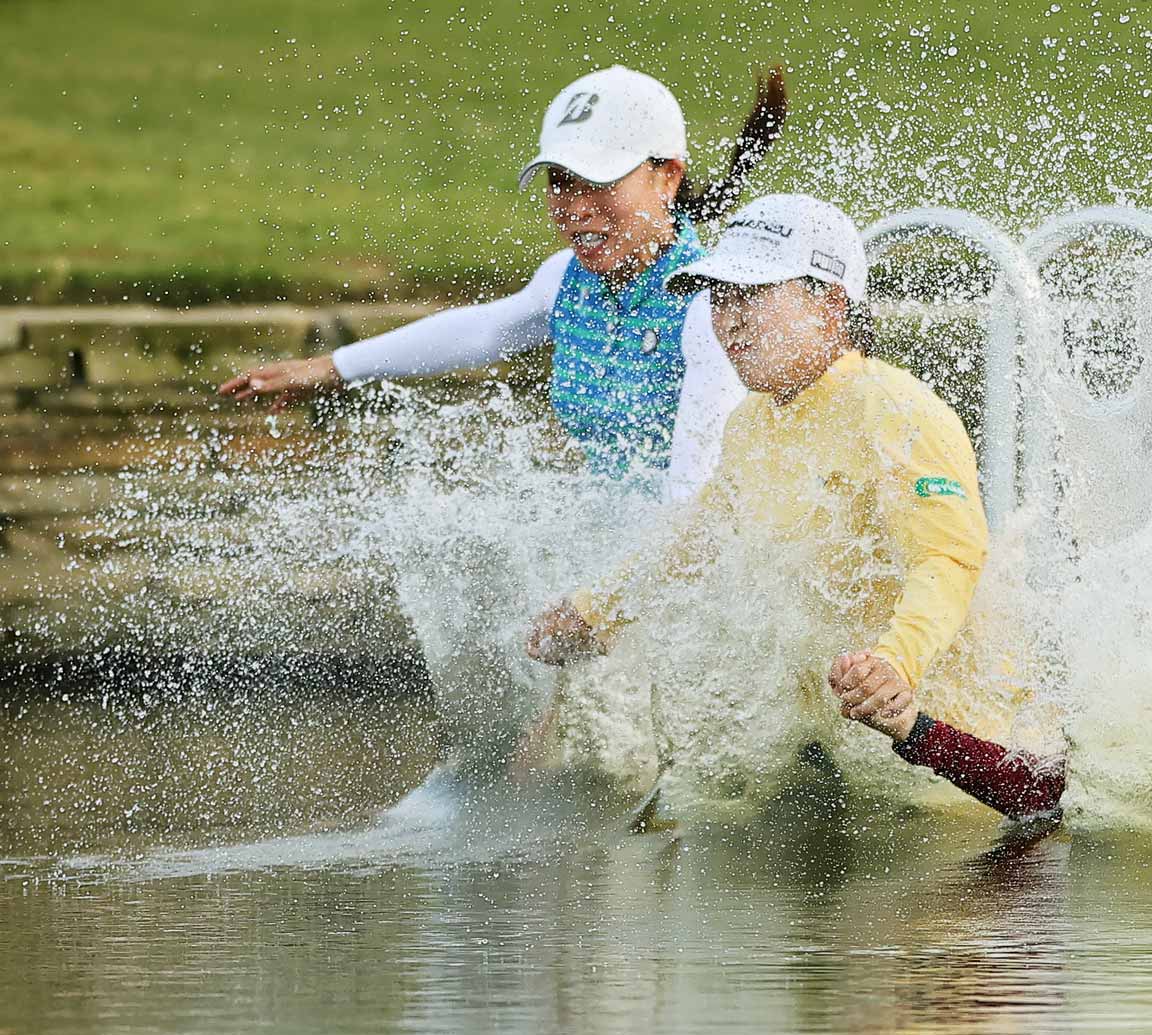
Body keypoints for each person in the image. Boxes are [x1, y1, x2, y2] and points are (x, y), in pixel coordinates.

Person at [524, 193, 1064, 820]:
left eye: (752, 294)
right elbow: (698, 540)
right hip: (850, 754)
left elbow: (949, 557)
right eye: (720, 298)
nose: (729, 321)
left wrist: (895, 662)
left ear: (830, 303)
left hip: (959, 761)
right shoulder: (752, 425)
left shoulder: (895, 409)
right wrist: (596, 613)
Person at [218, 65, 787, 494]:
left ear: (667, 177)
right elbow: (486, 330)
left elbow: (694, 499)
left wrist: (603, 608)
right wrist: (331, 369)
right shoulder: (567, 280)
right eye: (561, 181)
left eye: (599, 182)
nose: (575, 206)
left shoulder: (711, 312)